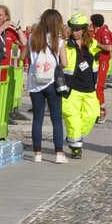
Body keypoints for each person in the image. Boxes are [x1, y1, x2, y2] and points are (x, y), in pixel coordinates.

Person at [24, 9, 67, 163]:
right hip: (52, 82)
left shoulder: (32, 37)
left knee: (38, 118)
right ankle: (59, 154)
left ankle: (37, 154)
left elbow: (26, 56)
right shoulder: (59, 40)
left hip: (35, 83)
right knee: (56, 119)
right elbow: (65, 63)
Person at [60, 18, 103, 159]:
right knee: (73, 118)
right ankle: (76, 147)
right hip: (71, 89)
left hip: (89, 88)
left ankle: (77, 138)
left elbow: (106, 49)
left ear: (84, 29)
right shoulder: (65, 45)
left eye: (78, 29)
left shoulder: (92, 44)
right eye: (72, 29)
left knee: (91, 116)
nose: (74, 32)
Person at [90, 13, 112, 113]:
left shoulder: (104, 31)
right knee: (92, 86)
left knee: (99, 86)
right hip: (95, 62)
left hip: (102, 62)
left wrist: (96, 44)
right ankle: (94, 108)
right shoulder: (95, 32)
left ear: (93, 23)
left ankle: (102, 110)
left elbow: (109, 47)